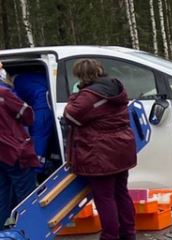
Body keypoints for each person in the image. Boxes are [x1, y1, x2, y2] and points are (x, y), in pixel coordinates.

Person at [64, 59, 137, 240]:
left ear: (82, 76)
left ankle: (109, 236)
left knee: (105, 198)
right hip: (121, 148)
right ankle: (128, 234)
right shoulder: (115, 87)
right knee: (121, 193)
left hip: (100, 153)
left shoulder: (88, 95)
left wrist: (75, 95)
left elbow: (70, 116)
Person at [0, 62, 39, 228]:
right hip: (13, 150)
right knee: (27, 198)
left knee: (2, 195)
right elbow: (28, 115)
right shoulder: (3, 93)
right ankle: (29, 231)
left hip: (2, 154)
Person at [13, 73, 53, 166]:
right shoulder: (34, 77)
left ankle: (36, 168)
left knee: (38, 137)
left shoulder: (15, 85)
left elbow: (14, 105)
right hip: (45, 105)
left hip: (41, 106)